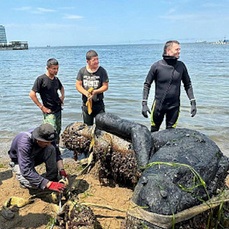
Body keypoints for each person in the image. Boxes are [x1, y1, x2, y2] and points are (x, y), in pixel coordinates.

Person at [142, 40, 197, 132]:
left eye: (179, 49)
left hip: (174, 107)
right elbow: (147, 84)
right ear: (168, 51)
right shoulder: (157, 66)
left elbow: (188, 84)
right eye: (177, 49)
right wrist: (144, 103)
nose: (179, 51)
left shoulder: (181, 66)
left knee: (171, 133)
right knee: (154, 131)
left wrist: (193, 102)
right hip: (158, 106)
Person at [8, 123, 68, 193]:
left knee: (51, 148)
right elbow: (26, 170)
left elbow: (57, 154)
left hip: (35, 156)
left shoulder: (49, 136)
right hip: (19, 162)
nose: (49, 143)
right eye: (46, 142)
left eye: (50, 141)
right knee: (34, 184)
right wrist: (48, 184)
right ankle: (23, 182)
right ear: (38, 140)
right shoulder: (24, 143)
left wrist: (62, 170)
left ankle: (52, 177)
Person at [29, 58, 64, 143]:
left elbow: (62, 88)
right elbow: (32, 94)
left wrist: (62, 96)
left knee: (58, 131)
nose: (56, 71)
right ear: (48, 68)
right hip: (48, 111)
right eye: (54, 69)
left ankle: (56, 149)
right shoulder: (41, 79)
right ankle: (50, 150)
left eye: (57, 68)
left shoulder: (56, 79)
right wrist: (41, 107)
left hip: (58, 109)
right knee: (51, 132)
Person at [76, 50, 109, 125]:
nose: (97, 62)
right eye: (94, 60)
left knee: (101, 127)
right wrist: (86, 93)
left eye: (97, 59)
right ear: (88, 61)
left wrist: (95, 92)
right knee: (87, 127)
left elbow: (105, 86)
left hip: (99, 104)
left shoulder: (102, 71)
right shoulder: (82, 71)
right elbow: (78, 85)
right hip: (86, 104)